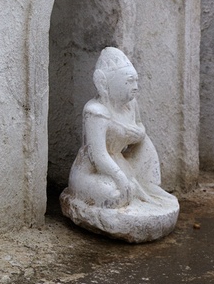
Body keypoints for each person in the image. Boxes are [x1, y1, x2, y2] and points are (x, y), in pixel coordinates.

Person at [63, 47, 175, 210]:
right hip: (91, 171)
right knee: (116, 195)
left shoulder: (131, 105)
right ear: (107, 82)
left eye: (136, 80)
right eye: (129, 81)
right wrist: (120, 177)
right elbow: (99, 156)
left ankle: (145, 186)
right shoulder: (96, 111)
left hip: (119, 162)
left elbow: (140, 127)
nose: (135, 86)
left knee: (132, 191)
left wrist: (139, 133)